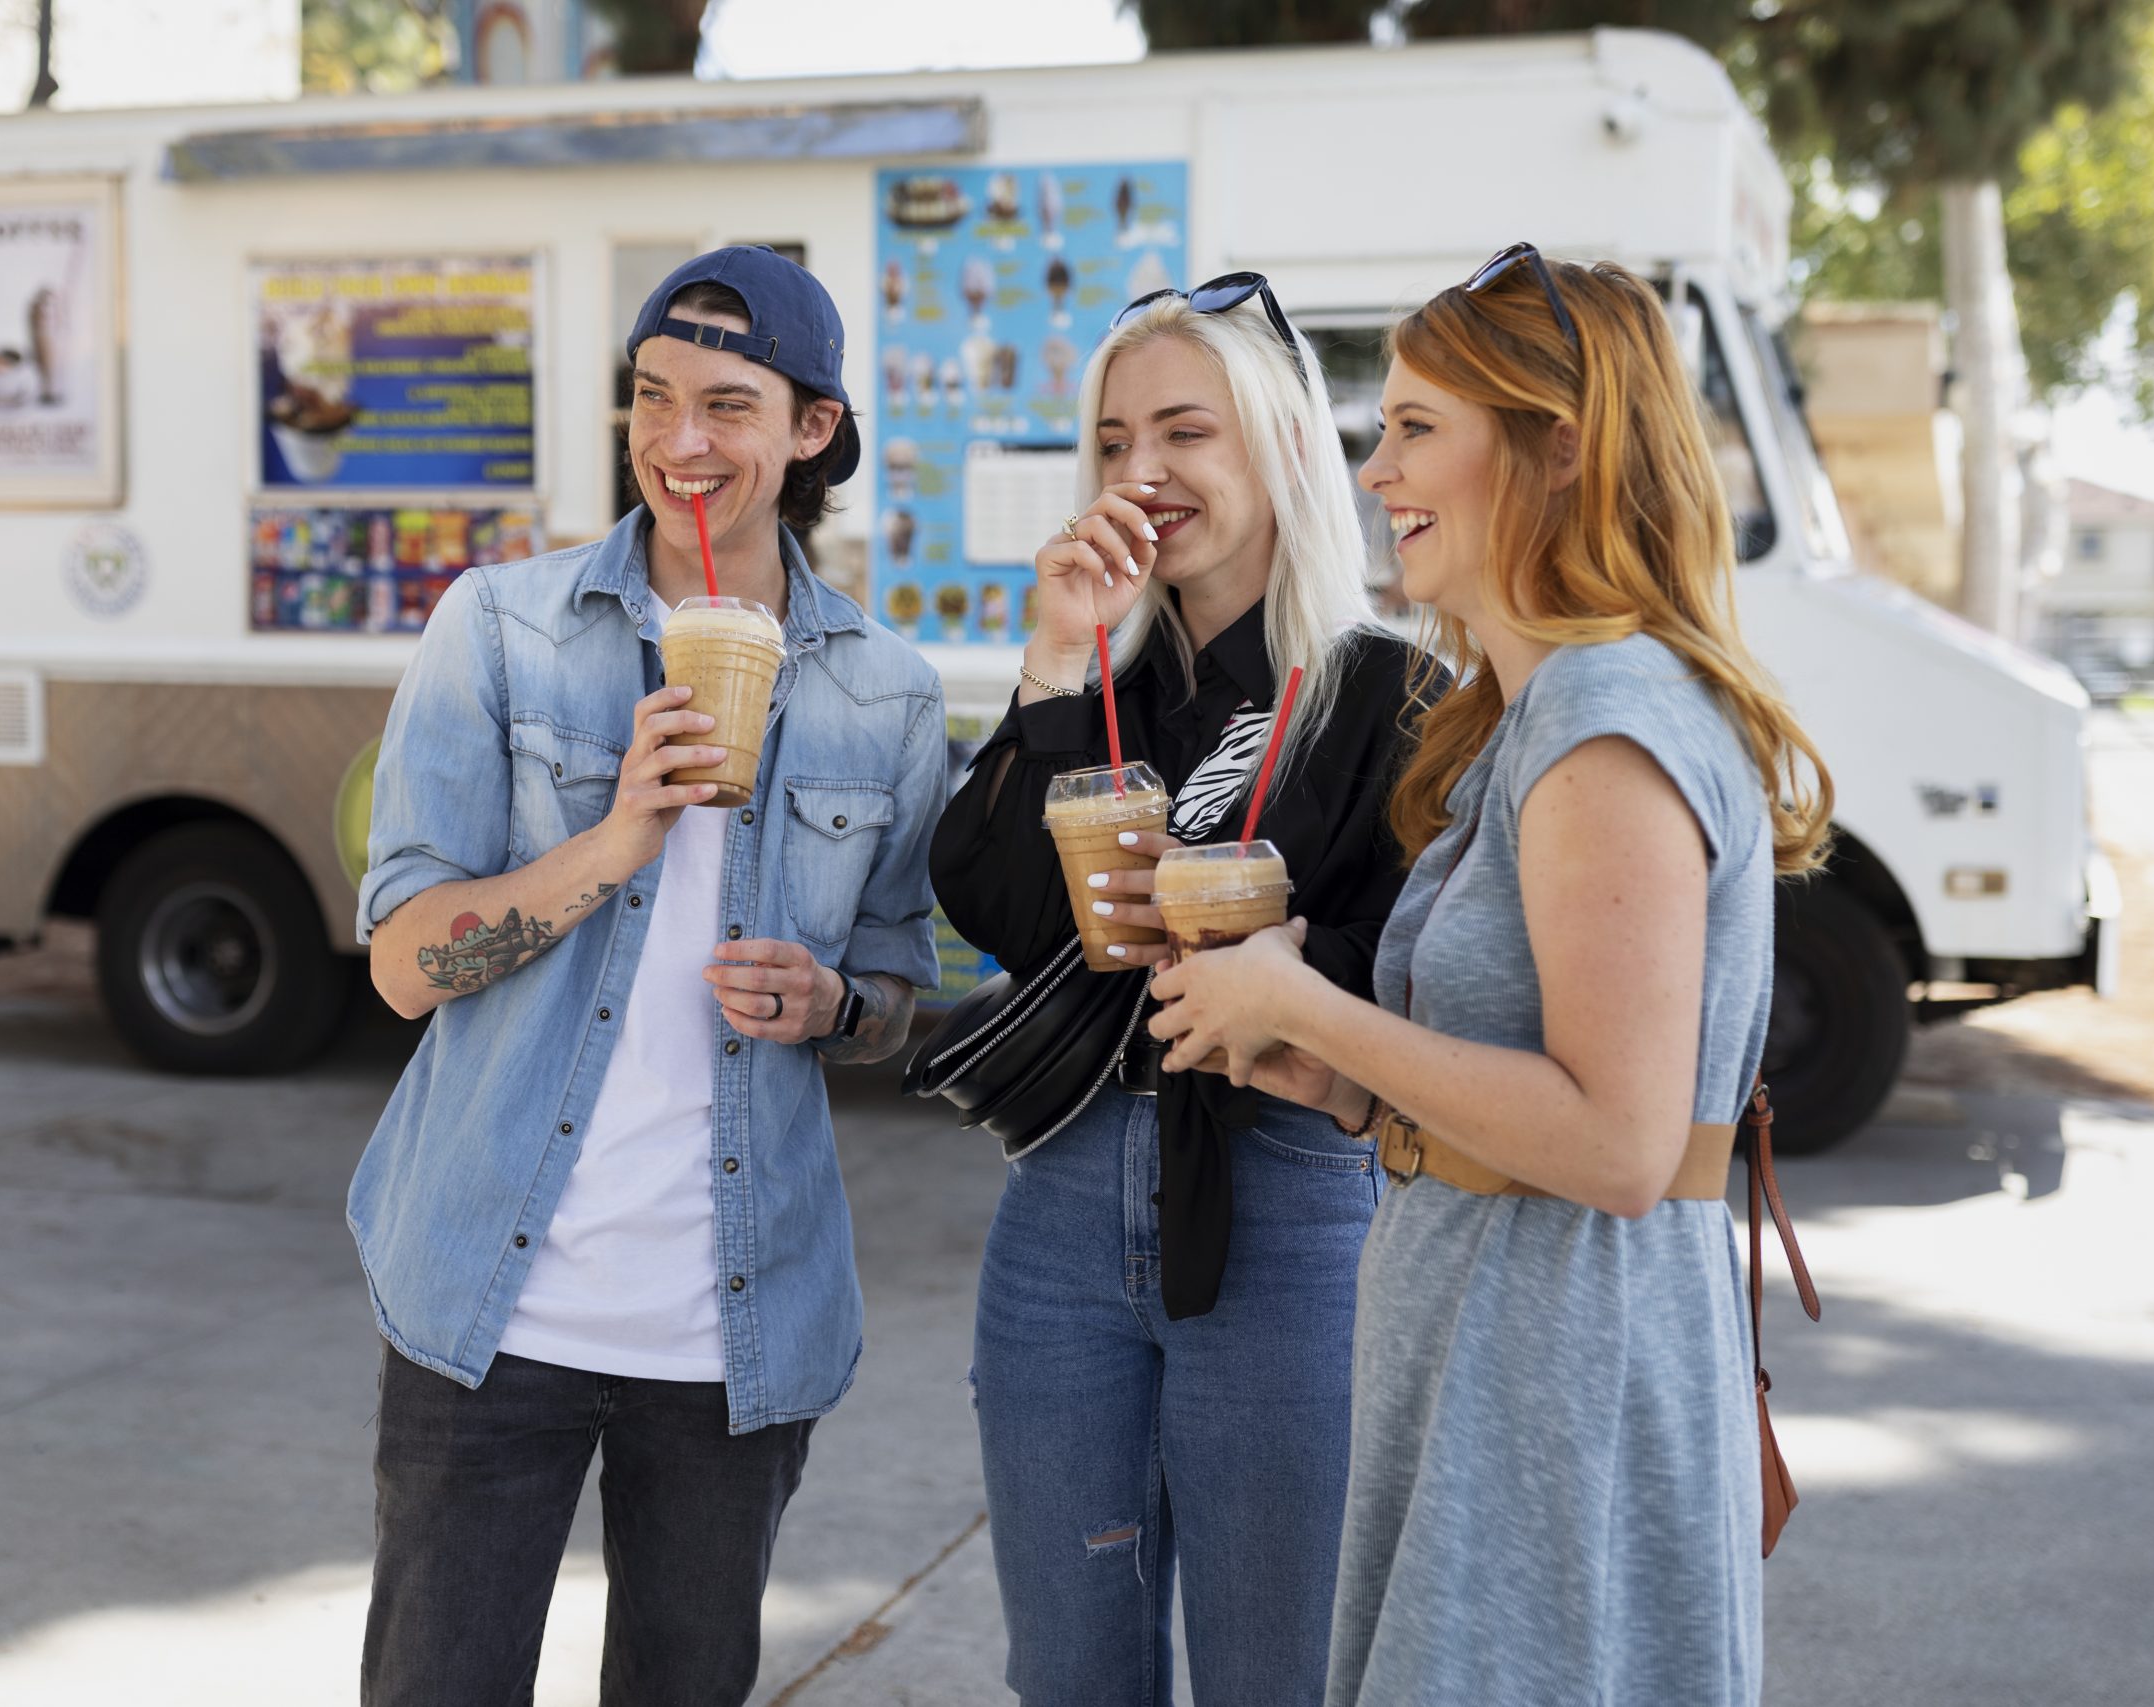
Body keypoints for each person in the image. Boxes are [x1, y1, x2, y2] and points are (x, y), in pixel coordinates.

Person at [1148, 247, 1835, 1706]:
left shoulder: (1603, 723)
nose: (1373, 461)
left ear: (1557, 447)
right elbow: (1534, 1095)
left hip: (1555, 1376)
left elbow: (1619, 1144)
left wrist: (1308, 1003)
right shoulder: (1527, 716)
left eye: (1415, 427)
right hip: (1495, 1358)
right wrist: (1335, 1077)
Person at [349, 246, 949, 1707]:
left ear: (811, 430)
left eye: (729, 406)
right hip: (487, 1303)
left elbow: (899, 995)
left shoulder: (890, 692)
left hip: (731, 1323)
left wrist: (832, 1006)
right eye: (653, 397)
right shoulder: (499, 626)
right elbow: (402, 968)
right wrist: (614, 840)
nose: (682, 442)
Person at [928, 274, 1425, 1706]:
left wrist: (1280, 975)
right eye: (1108, 442)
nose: (1139, 473)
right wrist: (1053, 656)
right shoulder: (1101, 678)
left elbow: (1414, 969)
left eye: (1184, 433)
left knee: (1280, 1674)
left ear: (1276, 447)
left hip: (1285, 1210)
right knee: (1071, 1673)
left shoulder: (1392, 692)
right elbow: (1004, 912)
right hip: (1064, 1211)